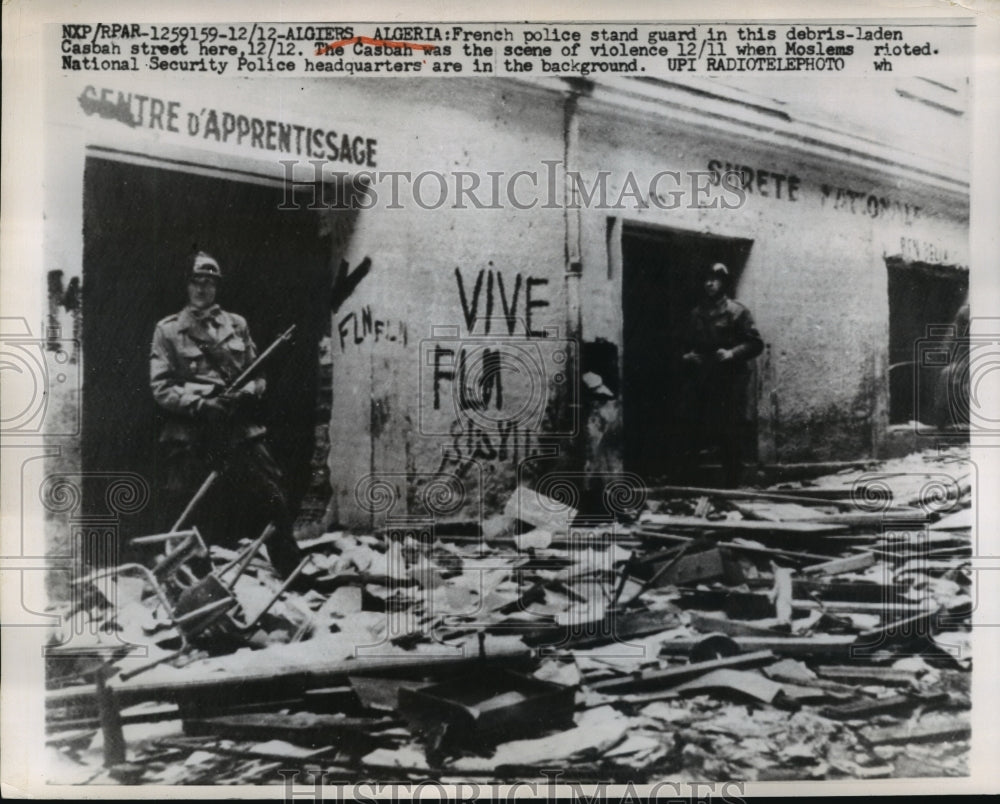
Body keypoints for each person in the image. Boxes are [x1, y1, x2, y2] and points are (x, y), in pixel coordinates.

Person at [149, 251, 305, 580]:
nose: (202, 289)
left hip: (237, 424)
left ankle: (291, 570)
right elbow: (161, 388)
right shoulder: (168, 331)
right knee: (186, 505)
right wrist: (201, 403)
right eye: (196, 282)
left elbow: (258, 374)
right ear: (186, 286)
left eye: (209, 283)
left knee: (272, 492)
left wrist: (249, 392)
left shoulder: (236, 325)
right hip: (194, 427)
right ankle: (183, 579)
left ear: (217, 287)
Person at [678, 262, 764, 487]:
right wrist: (686, 356)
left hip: (729, 380)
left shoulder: (737, 311)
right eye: (706, 279)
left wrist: (732, 353)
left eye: (715, 279)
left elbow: (755, 344)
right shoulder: (696, 314)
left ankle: (732, 484)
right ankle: (693, 484)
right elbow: (683, 344)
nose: (709, 283)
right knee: (694, 427)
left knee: (730, 430)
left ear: (724, 283)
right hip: (701, 379)